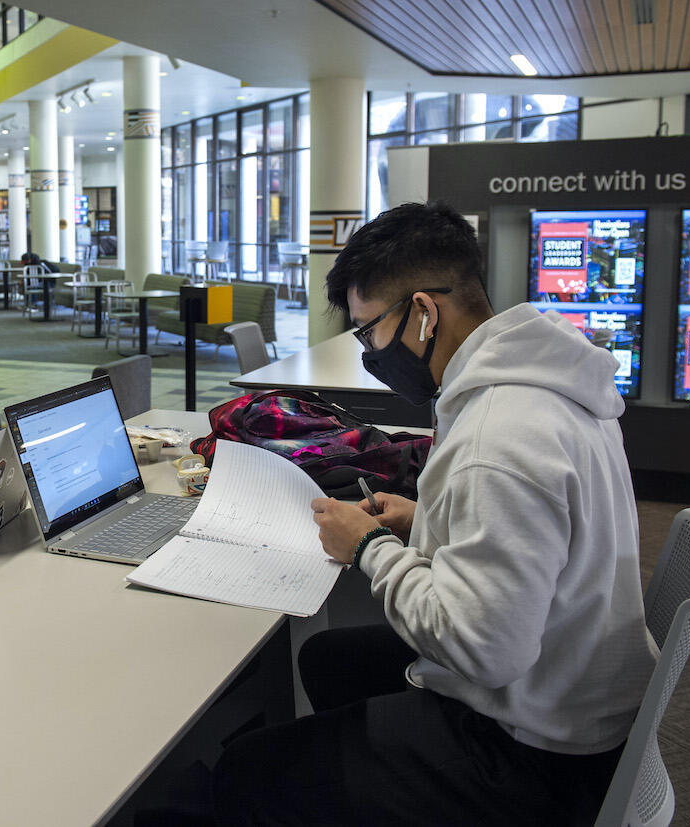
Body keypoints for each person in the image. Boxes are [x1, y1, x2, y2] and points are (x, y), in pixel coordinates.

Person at [213, 203, 658, 824]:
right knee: (328, 659)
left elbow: (485, 651)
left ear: (423, 312)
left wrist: (369, 546)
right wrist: (427, 519)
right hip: (577, 684)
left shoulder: (496, 437)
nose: (368, 349)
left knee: (249, 769)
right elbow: (540, 535)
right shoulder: (551, 385)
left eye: (369, 331)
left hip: (536, 751)